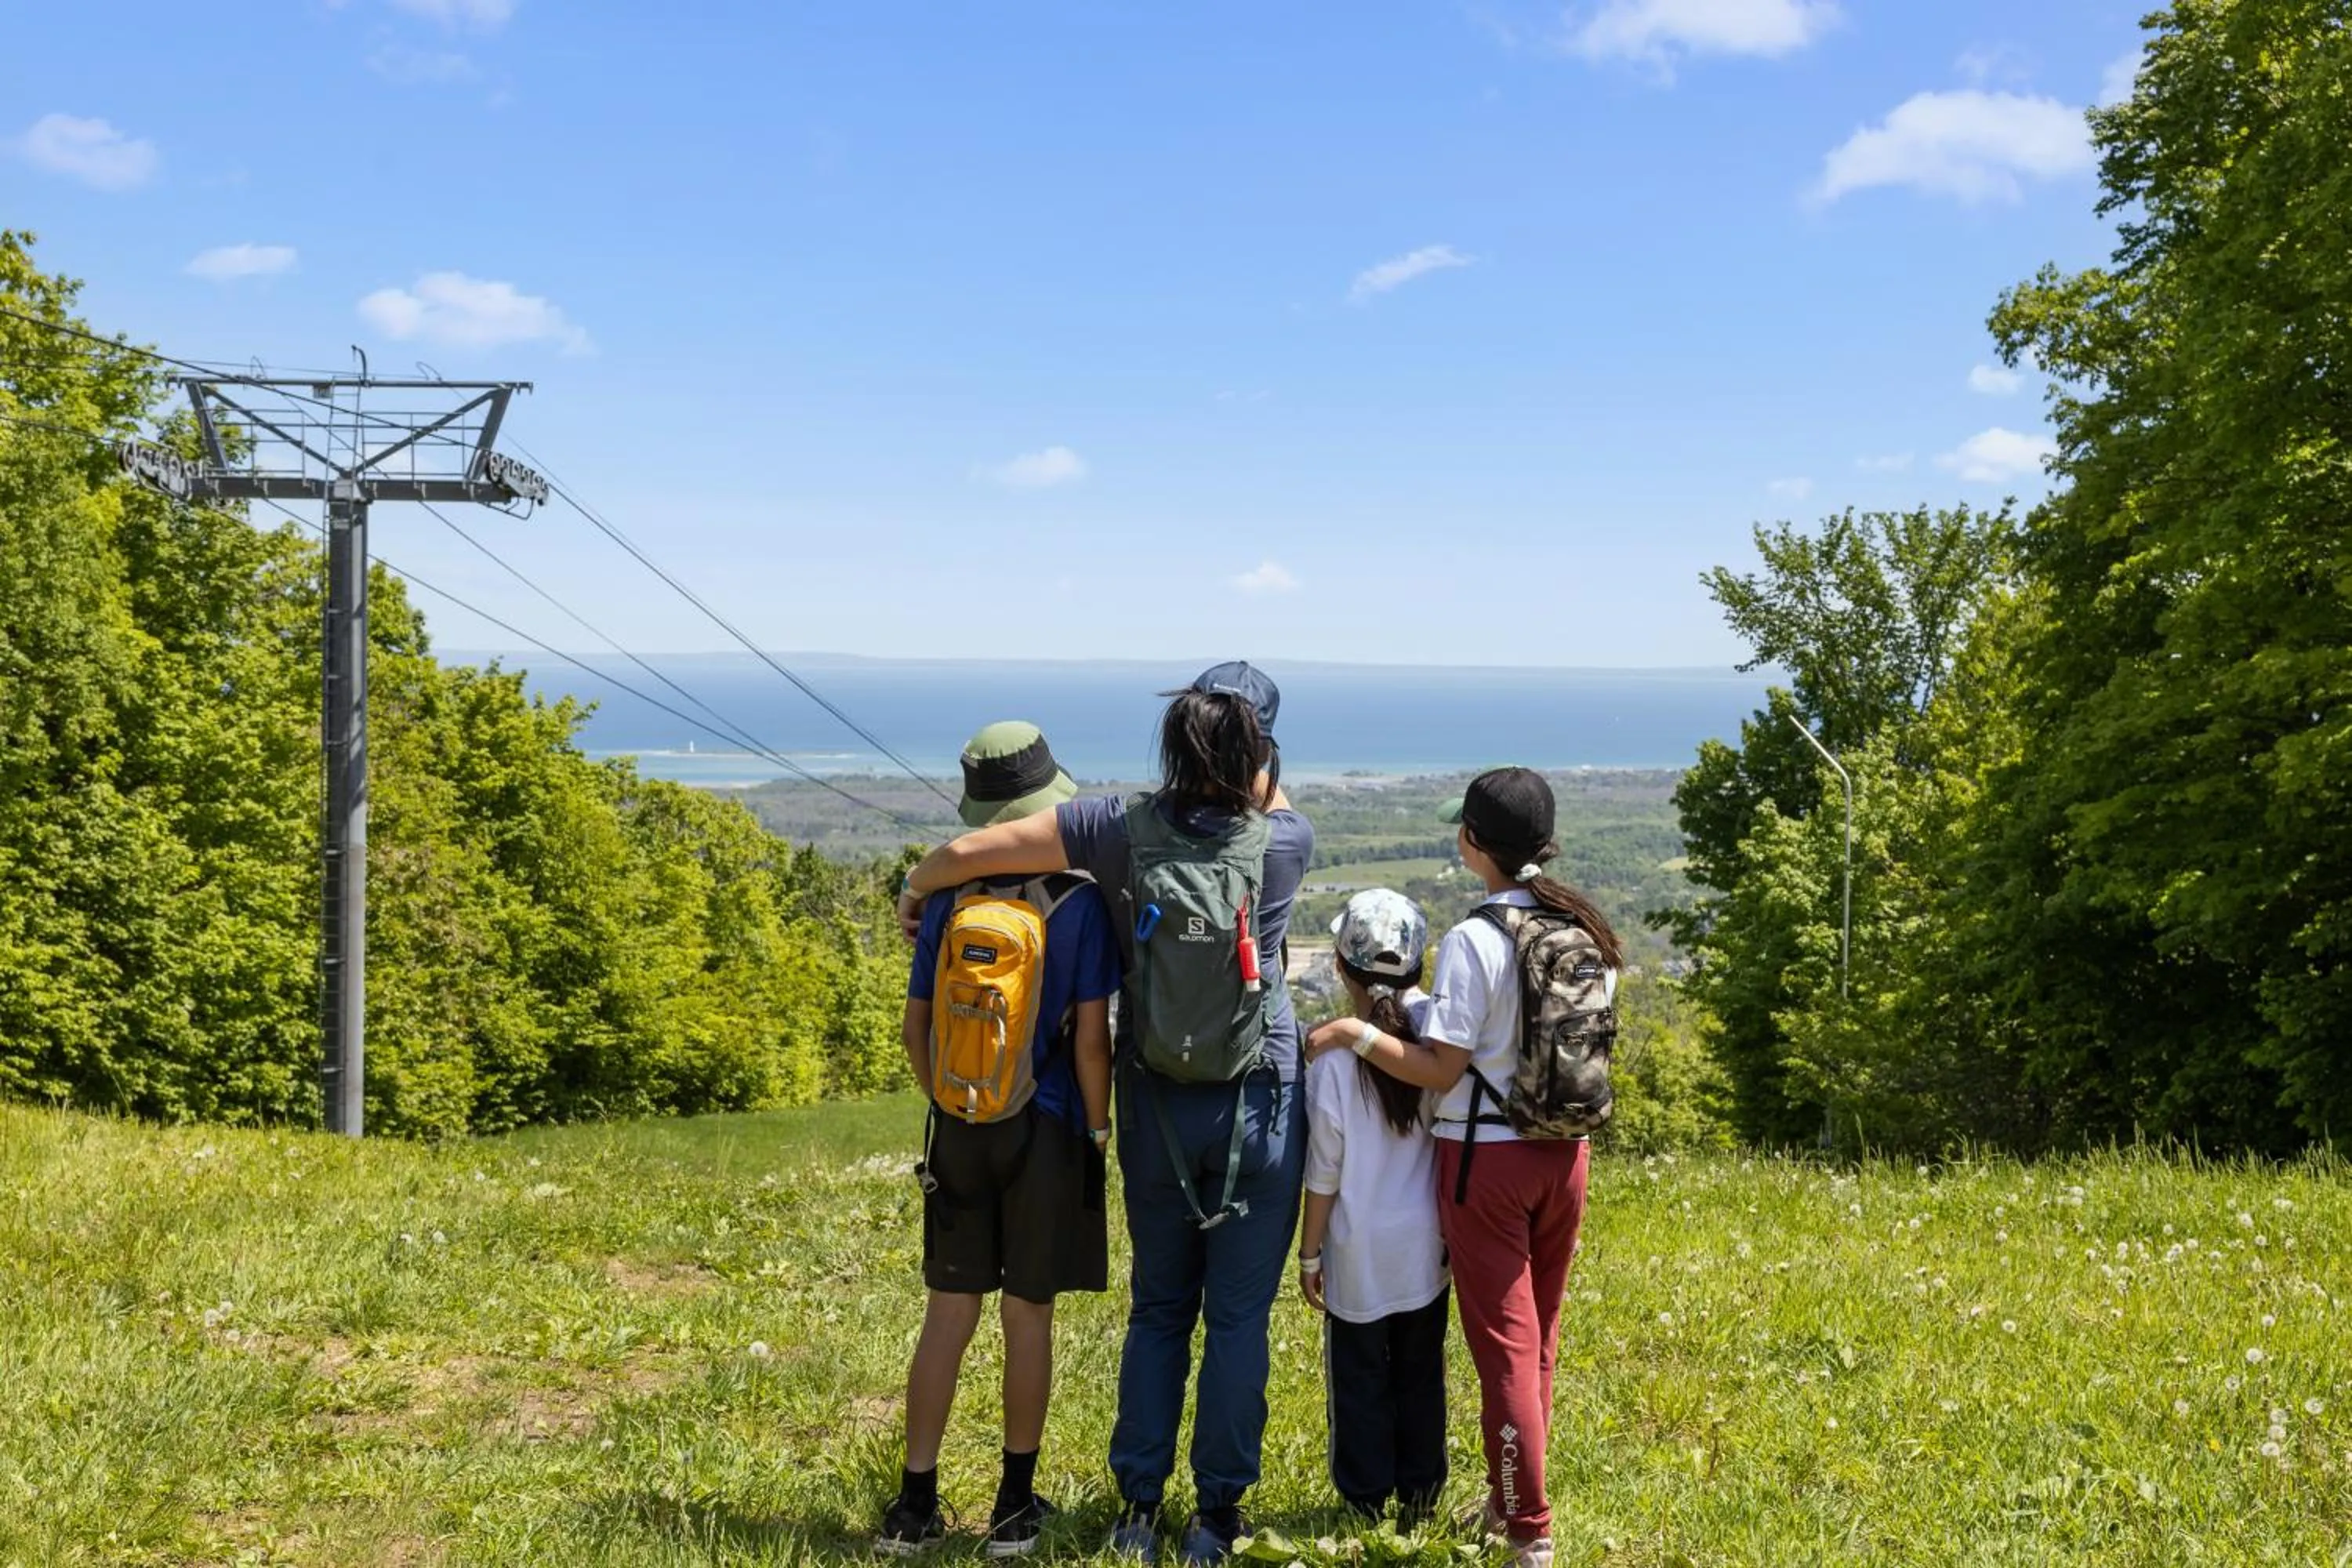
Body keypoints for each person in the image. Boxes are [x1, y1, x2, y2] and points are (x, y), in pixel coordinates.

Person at [898, 662, 1315, 1566]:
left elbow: (969, 854)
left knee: (1160, 1307)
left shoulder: (1114, 828)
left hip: (1154, 1097)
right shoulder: (1285, 840)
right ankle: (1218, 1515)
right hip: (1257, 1103)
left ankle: (1136, 1505)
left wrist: (915, 889)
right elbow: (1263, 796)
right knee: (1238, 1318)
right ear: (1261, 750)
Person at [1306, 768, 1622, 1568]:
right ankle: (1504, 1496)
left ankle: (1528, 1526)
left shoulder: (1479, 939)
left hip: (1489, 1162)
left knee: (1504, 1349)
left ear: (1474, 842)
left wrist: (1354, 1037)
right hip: (1568, 1156)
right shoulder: (1580, 925)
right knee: (1539, 1340)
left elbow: (1441, 1068)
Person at [878, 722, 1122, 1559]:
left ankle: (914, 1503)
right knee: (1028, 1317)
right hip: (1046, 1128)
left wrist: (949, 1098)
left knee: (948, 1312)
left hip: (959, 1126)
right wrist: (1096, 1124)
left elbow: (916, 1025)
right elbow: (1092, 1039)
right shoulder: (1079, 900)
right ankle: (1015, 1507)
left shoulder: (946, 900)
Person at [1295, 890, 1448, 1528]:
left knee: (1357, 1379)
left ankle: (1363, 1499)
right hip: (1427, 1247)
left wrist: (1309, 1254)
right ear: (1420, 965)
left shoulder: (1331, 1062)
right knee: (1421, 1373)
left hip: (1357, 1251)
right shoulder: (1439, 1041)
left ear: (1340, 966)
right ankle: (1422, 1494)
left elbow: (1323, 1173)